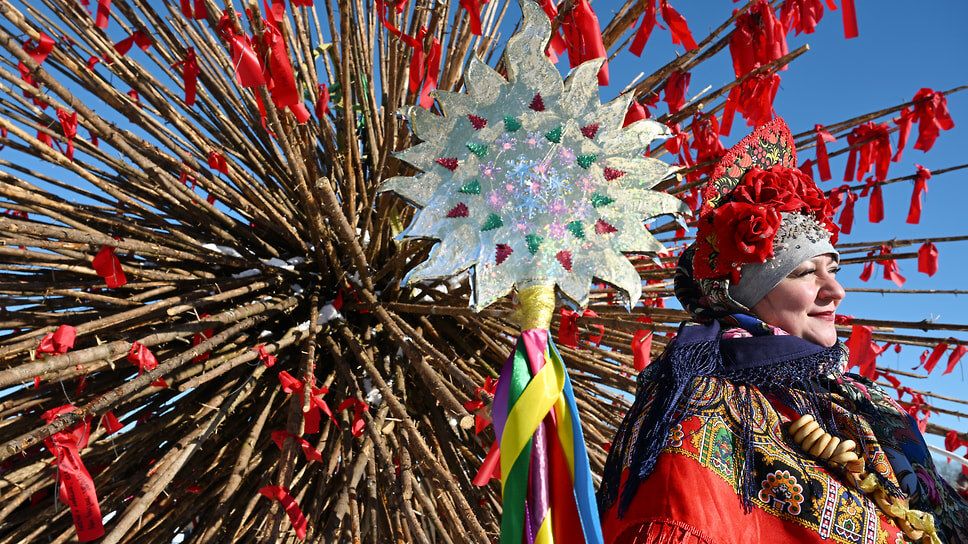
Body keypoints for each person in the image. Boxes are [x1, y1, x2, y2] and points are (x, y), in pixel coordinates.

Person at [598, 119, 968, 543]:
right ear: (744, 297)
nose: (836, 291)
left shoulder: (858, 400)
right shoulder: (701, 410)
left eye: (834, 269)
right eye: (805, 272)